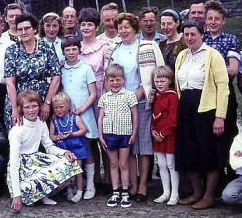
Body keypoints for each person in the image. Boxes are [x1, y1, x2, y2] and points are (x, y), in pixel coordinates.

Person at [104, 12, 165, 202]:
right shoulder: (112, 48)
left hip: (142, 100)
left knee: (143, 145)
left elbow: (159, 71)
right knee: (127, 145)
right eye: (120, 27)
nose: (123, 31)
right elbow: (108, 76)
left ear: (134, 28)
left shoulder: (148, 46)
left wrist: (140, 93)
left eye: (126, 27)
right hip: (119, 104)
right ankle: (130, 183)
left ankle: (143, 185)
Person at [174, 19, 229, 210]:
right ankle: (196, 192)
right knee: (188, 150)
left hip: (206, 109)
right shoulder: (182, 55)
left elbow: (223, 87)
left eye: (193, 34)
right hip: (186, 108)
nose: (189, 38)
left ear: (202, 34)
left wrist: (219, 116)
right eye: (186, 34)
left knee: (209, 152)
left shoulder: (213, 55)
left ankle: (209, 195)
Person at [7, 90, 82, 211]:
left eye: (34, 106)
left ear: (39, 106)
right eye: (27, 107)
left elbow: (49, 146)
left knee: (69, 163)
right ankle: (35, 194)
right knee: (27, 191)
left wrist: (64, 152)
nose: (31, 110)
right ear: (21, 109)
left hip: (36, 159)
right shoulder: (16, 131)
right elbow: (14, 164)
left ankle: (44, 193)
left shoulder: (41, 122)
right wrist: (17, 195)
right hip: (22, 165)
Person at [203, 0, 241, 187]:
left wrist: (210, 72)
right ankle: (214, 180)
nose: (213, 22)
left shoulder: (231, 40)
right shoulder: (202, 39)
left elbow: (233, 69)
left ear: (223, 20)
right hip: (205, 95)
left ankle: (232, 175)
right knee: (208, 136)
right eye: (209, 18)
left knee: (228, 133)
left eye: (217, 18)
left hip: (225, 92)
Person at [4, 14, 61, 131]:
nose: (23, 32)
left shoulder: (47, 48)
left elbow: (56, 77)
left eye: (27, 28)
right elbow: (10, 82)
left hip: (42, 100)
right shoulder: (12, 50)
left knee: (44, 137)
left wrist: (47, 103)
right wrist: (16, 108)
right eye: (20, 29)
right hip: (19, 101)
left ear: (34, 29)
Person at [60, 35, 98, 200]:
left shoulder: (86, 68)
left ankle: (90, 185)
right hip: (68, 116)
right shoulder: (61, 69)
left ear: (79, 50)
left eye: (74, 49)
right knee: (70, 149)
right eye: (67, 49)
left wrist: (82, 108)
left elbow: (93, 93)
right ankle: (72, 185)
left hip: (84, 114)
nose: (71, 52)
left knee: (86, 148)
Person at [77, 7, 111, 192]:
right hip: (82, 97)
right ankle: (94, 176)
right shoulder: (76, 47)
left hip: (100, 94)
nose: (86, 27)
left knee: (103, 137)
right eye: (83, 24)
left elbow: (107, 73)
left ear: (96, 27)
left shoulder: (104, 48)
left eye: (90, 24)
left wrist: (106, 97)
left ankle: (108, 178)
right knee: (87, 137)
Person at [98, 63, 138, 208]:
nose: (115, 83)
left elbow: (135, 114)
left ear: (124, 79)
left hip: (125, 135)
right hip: (109, 135)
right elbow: (101, 117)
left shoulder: (129, 95)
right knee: (113, 164)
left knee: (123, 163)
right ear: (107, 81)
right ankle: (115, 192)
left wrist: (134, 132)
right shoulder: (104, 98)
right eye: (111, 80)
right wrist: (100, 135)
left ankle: (125, 192)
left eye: (118, 80)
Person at [49, 92, 89, 203]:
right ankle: (69, 189)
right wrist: (57, 137)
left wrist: (73, 134)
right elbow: (51, 136)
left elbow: (83, 130)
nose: (58, 110)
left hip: (77, 147)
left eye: (61, 107)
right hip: (64, 149)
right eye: (55, 108)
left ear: (68, 106)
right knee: (67, 171)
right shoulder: (54, 121)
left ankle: (80, 191)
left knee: (78, 171)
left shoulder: (75, 118)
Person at [150, 65, 179, 206]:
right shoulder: (155, 95)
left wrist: (162, 134)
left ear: (169, 81)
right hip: (157, 135)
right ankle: (165, 192)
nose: (159, 84)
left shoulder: (172, 96)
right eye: (157, 81)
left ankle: (175, 194)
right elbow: (153, 115)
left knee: (171, 164)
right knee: (161, 164)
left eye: (163, 81)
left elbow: (173, 120)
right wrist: (153, 130)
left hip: (169, 135)